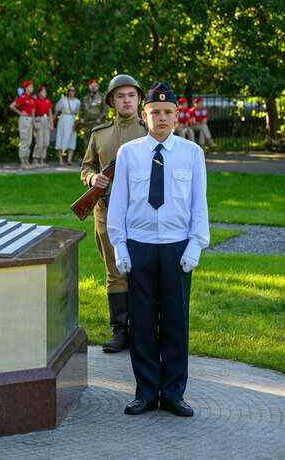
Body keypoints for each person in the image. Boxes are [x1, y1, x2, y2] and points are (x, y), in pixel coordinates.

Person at [107, 81, 209, 417]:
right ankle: (147, 392)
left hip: (177, 248)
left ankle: (175, 393)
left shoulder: (192, 153)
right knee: (143, 323)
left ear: (177, 116)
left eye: (168, 112)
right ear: (145, 115)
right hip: (141, 246)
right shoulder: (129, 153)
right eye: (155, 112)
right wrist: (120, 248)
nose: (161, 118)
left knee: (176, 324)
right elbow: (118, 205)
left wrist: (195, 245)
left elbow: (199, 206)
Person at [80, 75, 148, 353]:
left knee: (143, 273)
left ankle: (143, 331)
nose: (127, 100)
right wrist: (93, 179)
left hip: (143, 214)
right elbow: (86, 167)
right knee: (115, 271)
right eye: (120, 96)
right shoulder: (99, 134)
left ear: (139, 99)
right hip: (106, 212)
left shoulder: (149, 131)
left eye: (131, 95)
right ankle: (119, 330)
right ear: (111, 101)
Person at [10, 81, 36, 170]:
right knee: (24, 141)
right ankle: (22, 163)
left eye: (32, 87)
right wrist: (20, 113)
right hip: (24, 120)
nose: (32, 88)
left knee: (29, 141)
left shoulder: (31, 98)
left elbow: (32, 110)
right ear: (26, 88)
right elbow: (12, 106)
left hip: (30, 119)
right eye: (30, 87)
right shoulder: (23, 97)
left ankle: (27, 161)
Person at [53, 85, 81, 166]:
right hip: (63, 119)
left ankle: (69, 160)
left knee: (72, 139)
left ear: (75, 92)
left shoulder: (77, 101)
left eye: (72, 90)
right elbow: (57, 111)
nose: (71, 92)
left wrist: (78, 121)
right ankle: (61, 160)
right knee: (61, 137)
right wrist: (52, 122)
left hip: (72, 119)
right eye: (69, 90)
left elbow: (78, 112)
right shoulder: (63, 100)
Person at [32, 86, 54, 167]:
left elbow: (50, 113)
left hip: (46, 120)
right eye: (43, 92)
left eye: (45, 92)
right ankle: (35, 160)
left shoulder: (48, 101)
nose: (45, 93)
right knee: (39, 142)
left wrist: (51, 124)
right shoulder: (36, 101)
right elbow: (33, 113)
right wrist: (34, 123)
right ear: (39, 93)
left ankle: (42, 160)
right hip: (39, 120)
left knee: (46, 142)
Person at [82, 78, 107, 145]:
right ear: (89, 87)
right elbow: (81, 108)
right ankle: (88, 155)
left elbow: (105, 108)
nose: (93, 87)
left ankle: (97, 156)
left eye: (95, 86)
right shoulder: (86, 97)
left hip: (97, 123)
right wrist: (81, 118)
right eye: (92, 86)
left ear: (98, 87)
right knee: (86, 141)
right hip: (87, 123)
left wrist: (100, 118)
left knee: (97, 141)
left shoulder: (102, 96)